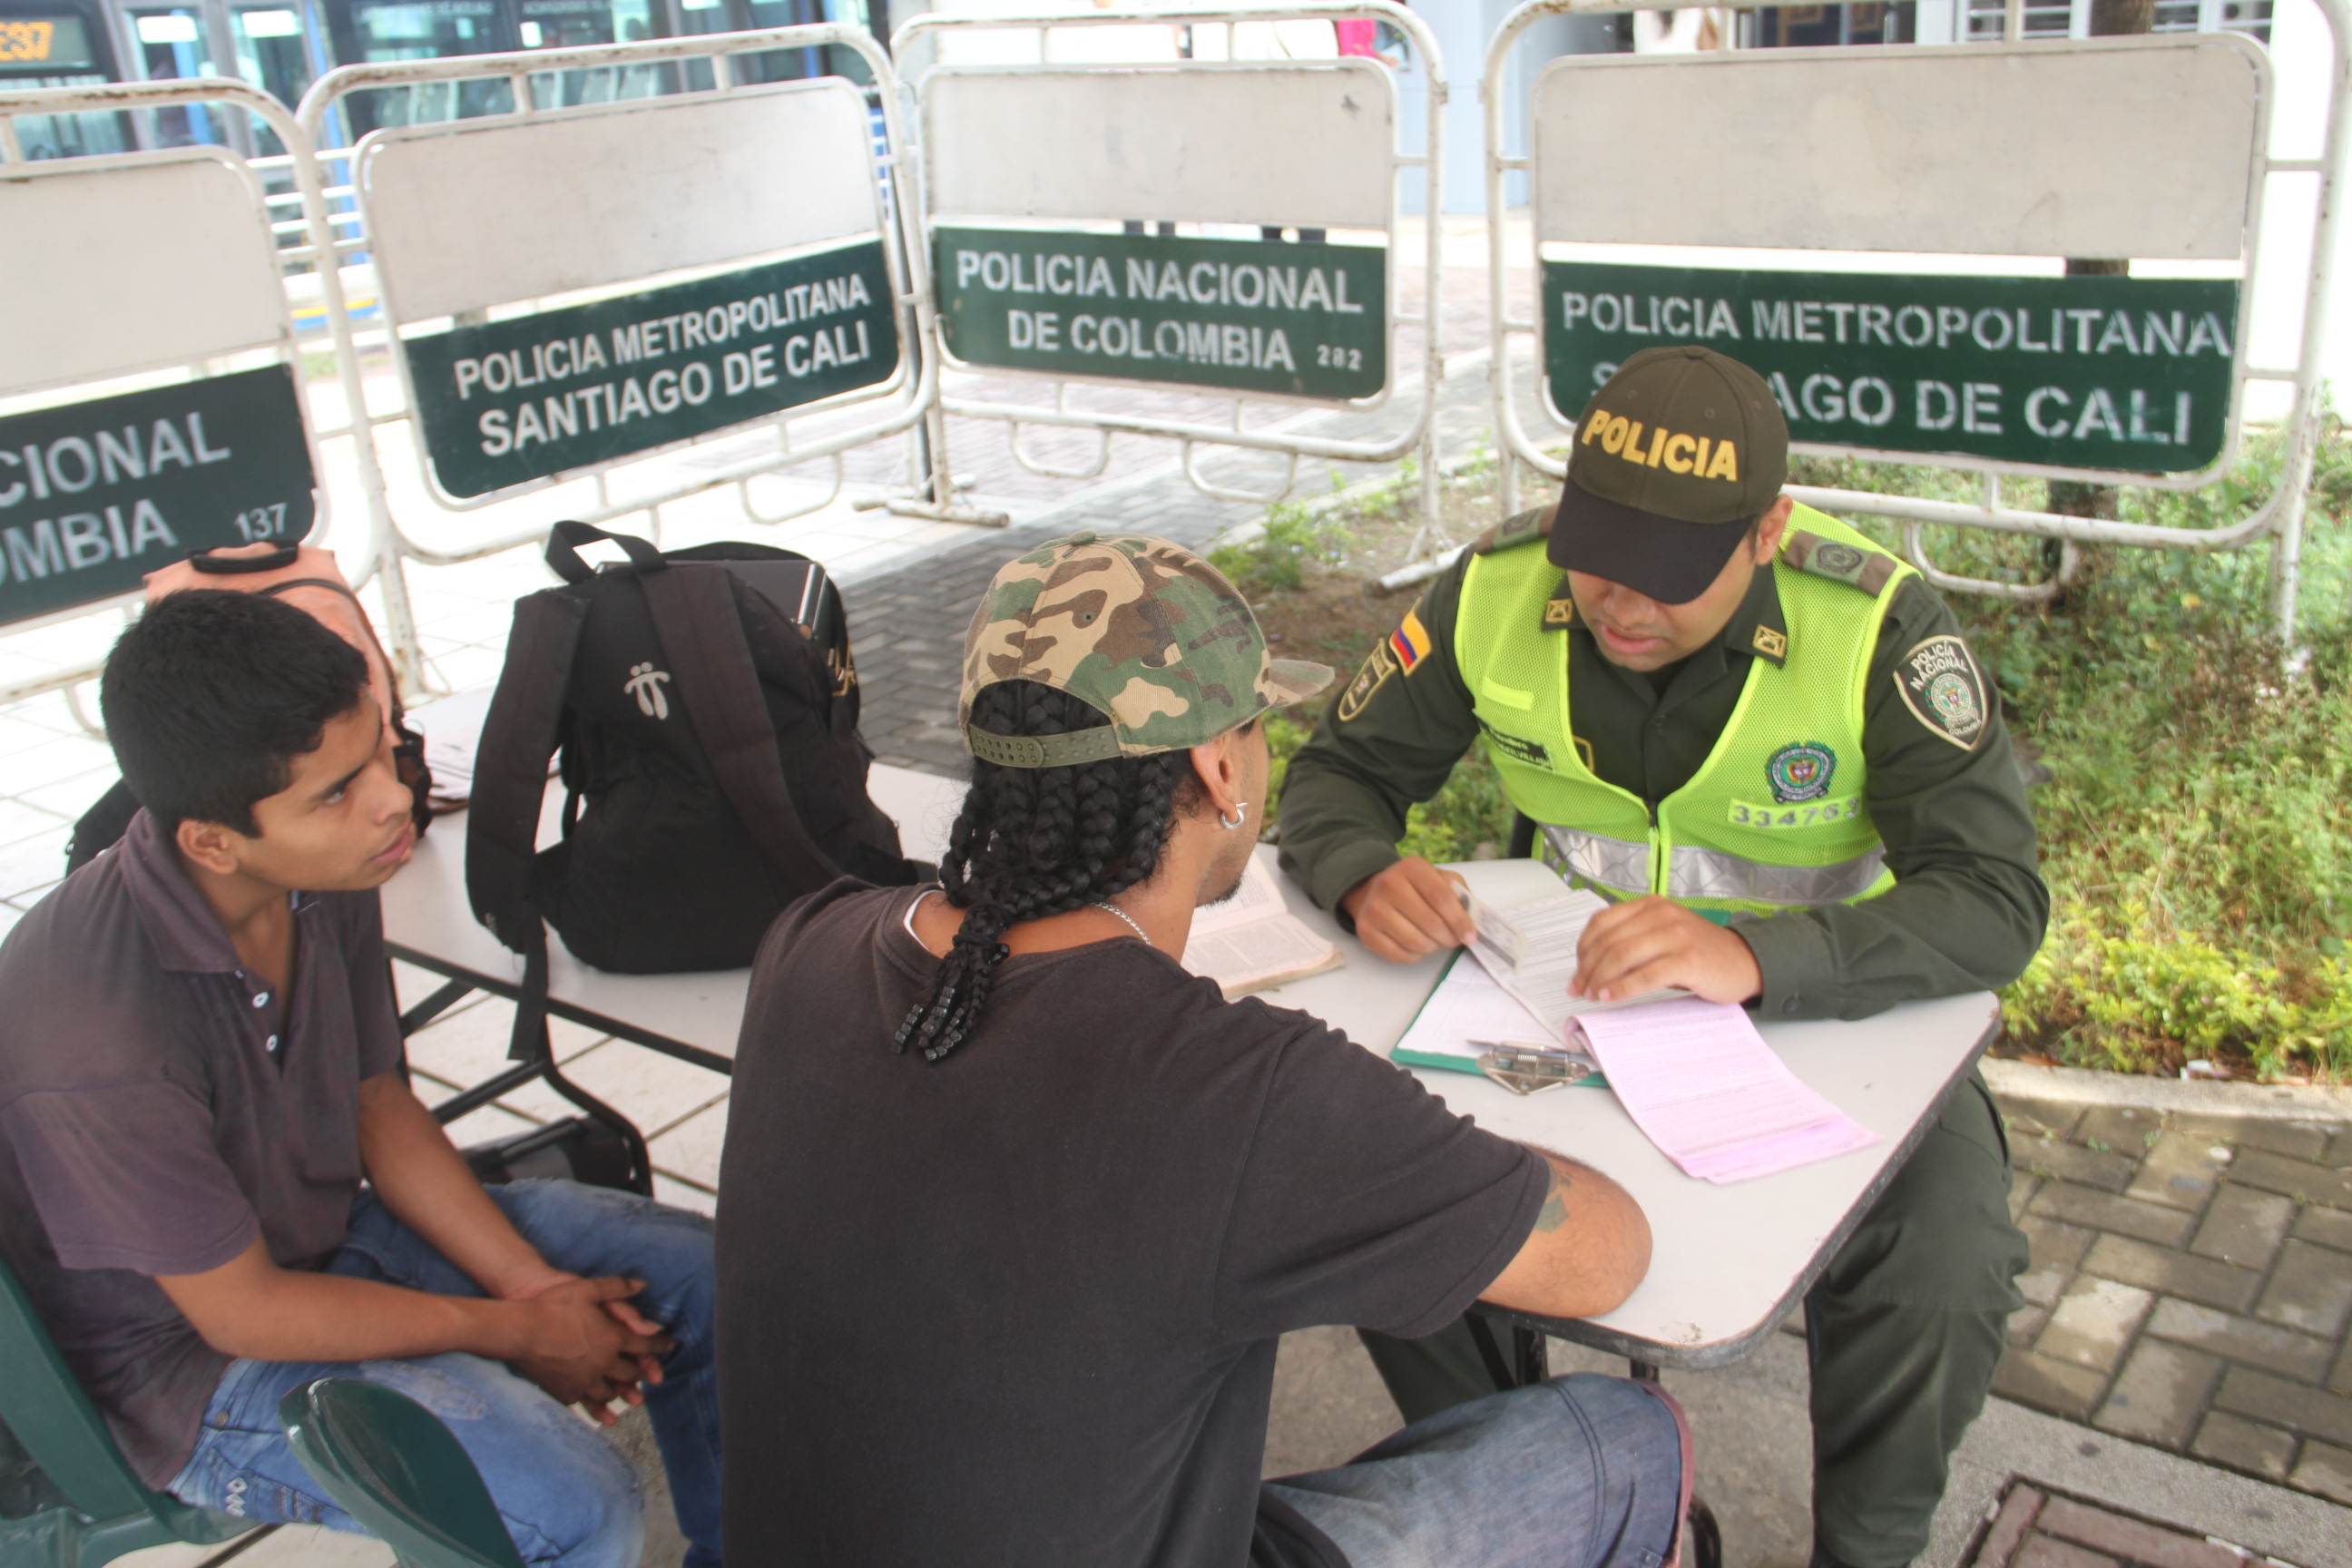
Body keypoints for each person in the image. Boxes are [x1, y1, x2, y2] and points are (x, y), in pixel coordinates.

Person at [716, 533, 1690, 1568]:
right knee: (1624, 1439)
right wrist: (1405, 1140)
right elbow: (1606, 1256)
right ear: (1219, 765)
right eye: (1258, 725)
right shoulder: (1240, 1094)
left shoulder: (809, 942)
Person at [1277, 346, 2043, 1568]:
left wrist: (1758, 956)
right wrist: (1364, 868)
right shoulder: (1497, 588)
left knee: (1945, 1261)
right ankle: (1531, 1491)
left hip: (1823, 1017)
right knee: (1380, 1196)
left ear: (1769, 532)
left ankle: (1870, 1549)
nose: (1621, 604)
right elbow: (1338, 774)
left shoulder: (1874, 629)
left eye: (1668, 574)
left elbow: (1996, 899)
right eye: (1598, 556)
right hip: (1547, 1009)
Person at [0, 590, 722, 1568]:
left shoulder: (318, 871)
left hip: (325, 1238)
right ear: (211, 841)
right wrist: (516, 1329)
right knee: (575, 1506)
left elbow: (376, 1103)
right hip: (189, 1366)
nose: (392, 801)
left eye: (383, 751)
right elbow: (245, 1312)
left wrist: (537, 1289)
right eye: (336, 792)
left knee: (707, 1280)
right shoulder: (95, 1034)